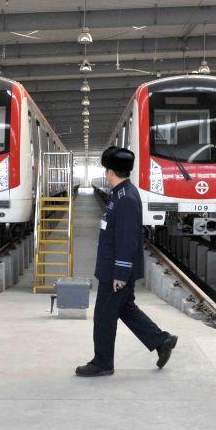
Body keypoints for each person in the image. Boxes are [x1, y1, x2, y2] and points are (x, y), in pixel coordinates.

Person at [76, 146, 177, 377]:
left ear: (110, 172)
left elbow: (127, 239)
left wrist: (120, 275)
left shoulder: (126, 198)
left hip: (116, 271)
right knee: (126, 309)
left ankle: (102, 363)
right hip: (113, 268)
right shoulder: (122, 193)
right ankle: (162, 341)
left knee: (103, 316)